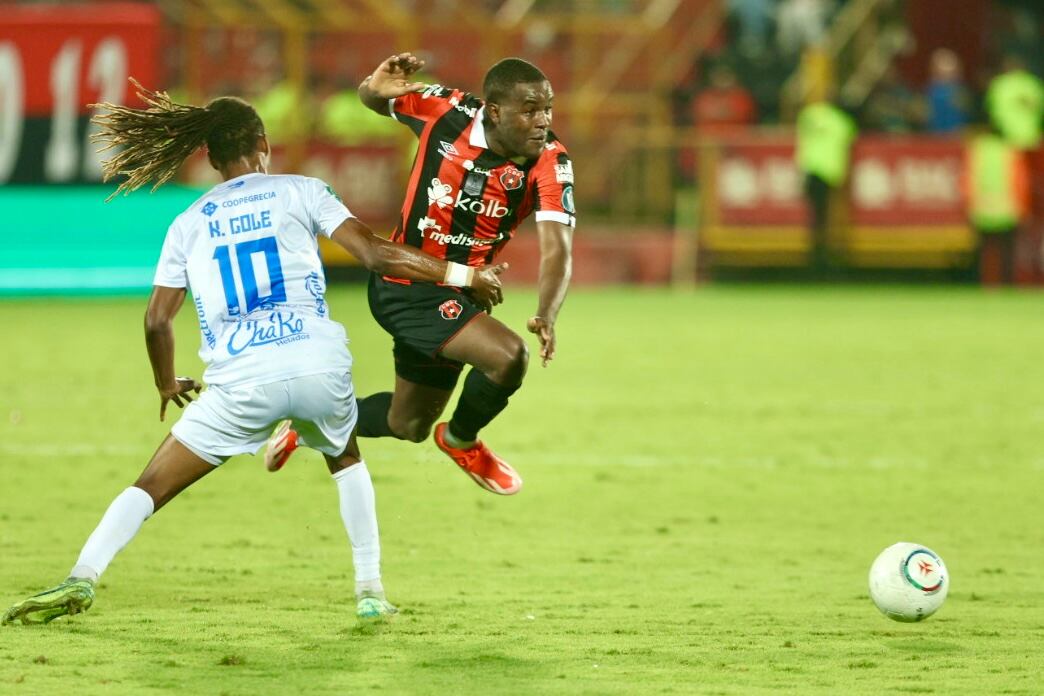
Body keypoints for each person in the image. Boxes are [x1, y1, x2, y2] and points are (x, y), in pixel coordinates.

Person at [1, 80, 505, 625]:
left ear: (210, 158)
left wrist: (166, 383)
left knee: (150, 485)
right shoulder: (302, 190)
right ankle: (370, 590)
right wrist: (463, 273)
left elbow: (156, 320)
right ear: (262, 142)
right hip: (316, 362)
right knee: (346, 459)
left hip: (241, 380)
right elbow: (377, 255)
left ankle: (82, 576)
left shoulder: (188, 223)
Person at [268, 53, 575, 496]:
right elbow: (374, 98)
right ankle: (462, 441)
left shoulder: (551, 161)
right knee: (508, 356)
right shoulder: (445, 110)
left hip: (462, 296)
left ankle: (310, 423)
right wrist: (374, 86)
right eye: (529, 110)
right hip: (407, 283)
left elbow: (558, 249)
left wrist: (547, 312)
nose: (542, 120)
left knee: (406, 423)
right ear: (495, 110)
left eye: (547, 108)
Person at [795, 98, 857, 274]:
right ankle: (822, 259)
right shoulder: (842, 121)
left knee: (818, 218)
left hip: (811, 170)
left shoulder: (809, 115)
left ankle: (817, 257)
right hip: (829, 173)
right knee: (824, 219)